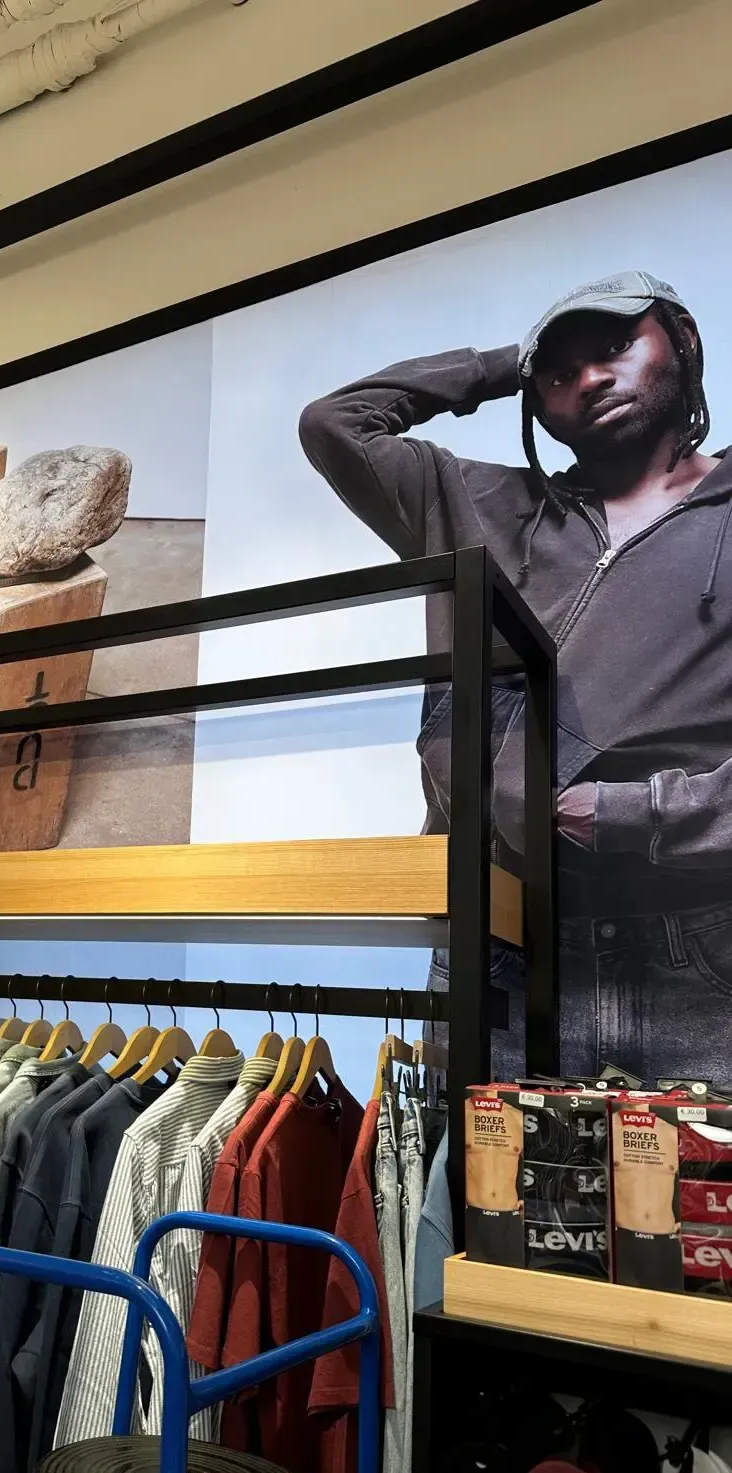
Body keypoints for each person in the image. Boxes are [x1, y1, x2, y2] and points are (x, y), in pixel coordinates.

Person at [298, 271, 732, 1083]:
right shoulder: (481, 504)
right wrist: (511, 363)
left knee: (697, 1210)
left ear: (683, 338)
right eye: (560, 374)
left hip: (695, 956)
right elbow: (337, 425)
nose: (589, 379)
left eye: (613, 347)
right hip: (500, 946)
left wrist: (621, 812)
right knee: (475, 1209)